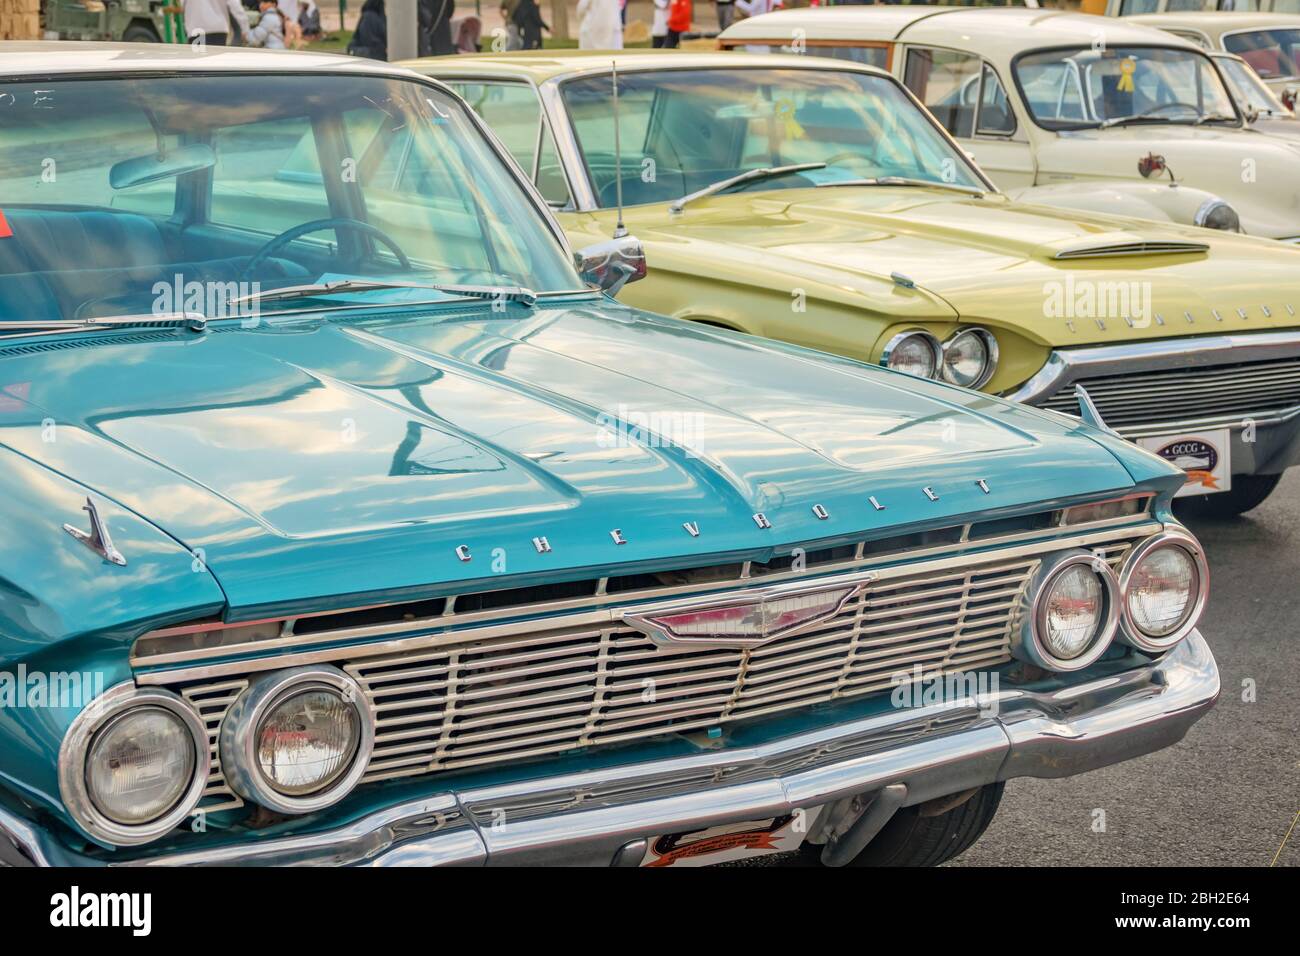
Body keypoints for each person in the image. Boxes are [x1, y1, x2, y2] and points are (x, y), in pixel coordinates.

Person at [183, 0, 252, 46]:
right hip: (218, 29)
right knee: (215, 64)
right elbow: (235, 6)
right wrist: (245, 28)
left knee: (198, 64)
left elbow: (182, 3)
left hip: (196, 28)